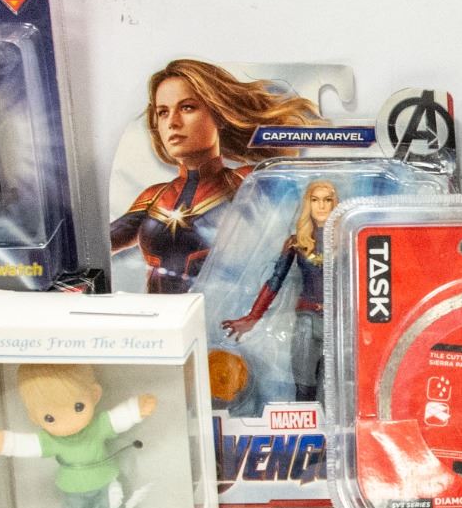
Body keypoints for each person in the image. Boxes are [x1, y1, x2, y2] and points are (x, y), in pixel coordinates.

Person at [110, 59, 319, 294]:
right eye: (163, 112)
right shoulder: (154, 197)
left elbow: (313, 218)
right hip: (161, 315)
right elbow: (99, 247)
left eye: (187, 107)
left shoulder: (247, 182)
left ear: (218, 115)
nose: (172, 122)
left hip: (228, 312)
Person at [0, 364, 157, 508]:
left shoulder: (97, 426)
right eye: (50, 418)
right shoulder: (52, 440)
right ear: (33, 417)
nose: (68, 423)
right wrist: (5, 442)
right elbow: (28, 444)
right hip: (73, 488)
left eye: (78, 407)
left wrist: (135, 409)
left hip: (105, 482)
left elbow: (117, 418)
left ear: (94, 394)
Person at [222, 180, 336, 401]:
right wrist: (252, 317)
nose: (321, 206)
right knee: (304, 387)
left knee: (330, 390)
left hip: (338, 322)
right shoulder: (296, 242)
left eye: (327, 200)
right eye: (315, 200)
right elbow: (276, 280)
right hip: (307, 320)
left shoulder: (347, 240)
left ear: (334, 203)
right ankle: (305, 424)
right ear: (308, 204)